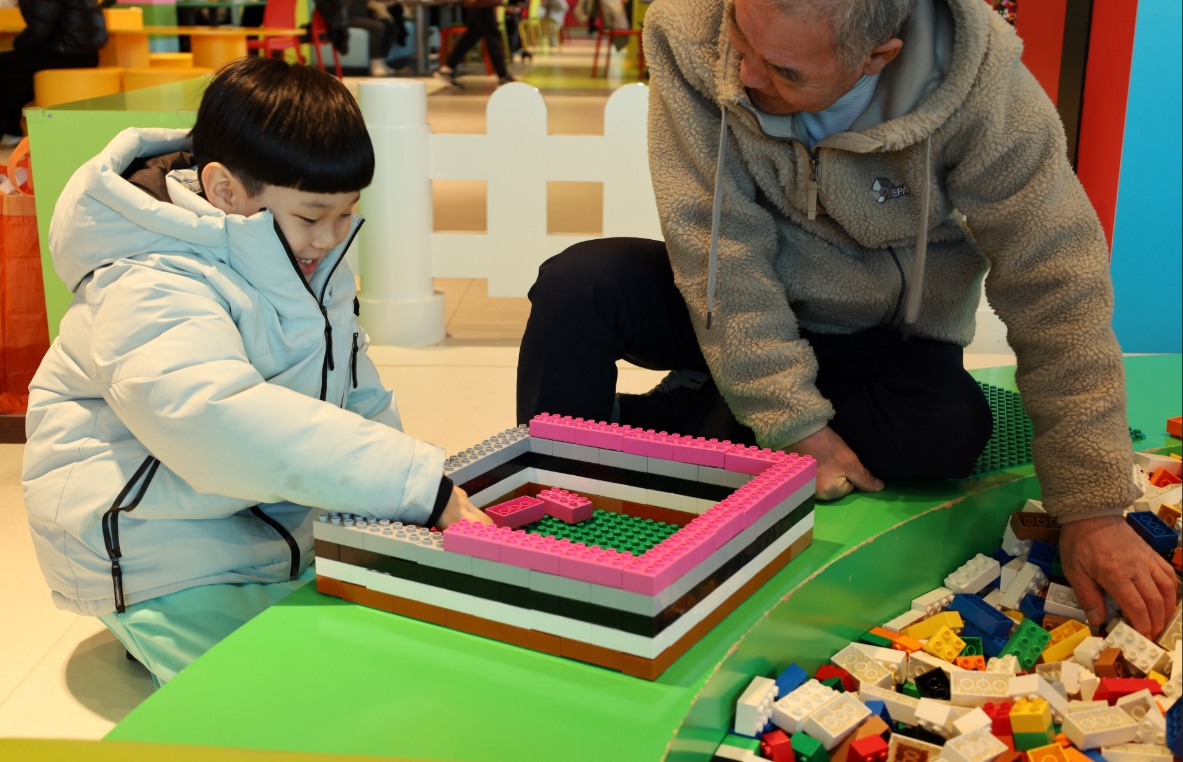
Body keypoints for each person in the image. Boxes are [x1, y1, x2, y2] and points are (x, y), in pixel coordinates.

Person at [517, 0, 1179, 637]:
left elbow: (1057, 287)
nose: (745, 74)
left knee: (949, 431)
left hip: (878, 334)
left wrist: (1092, 510)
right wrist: (793, 421)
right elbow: (718, 246)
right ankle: (547, 477)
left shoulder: (983, 87)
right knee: (580, 284)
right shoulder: (690, 31)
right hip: (732, 306)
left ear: (877, 56)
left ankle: (672, 416)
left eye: (784, 70)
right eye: (741, 38)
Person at [21, 57, 492, 686]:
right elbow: (213, 418)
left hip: (262, 524)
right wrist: (412, 484)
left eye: (346, 213)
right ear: (223, 191)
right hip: (160, 547)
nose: (331, 237)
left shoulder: (302, 255)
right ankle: (148, 617)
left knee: (393, 655)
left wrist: (405, 501)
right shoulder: (149, 279)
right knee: (275, 695)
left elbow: (358, 394)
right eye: (311, 216)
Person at [0, 0, 108, 146]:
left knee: (7, 66)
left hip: (65, 54)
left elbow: (39, 30)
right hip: (88, 55)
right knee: (18, 70)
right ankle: (12, 130)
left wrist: (17, 44)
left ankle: (11, 130)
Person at [435, 0, 514, 86]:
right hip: (481, 3)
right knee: (491, 36)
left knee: (471, 36)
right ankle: (503, 75)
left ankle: (447, 68)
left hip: (479, 4)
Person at [344, 0, 406, 76]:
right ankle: (375, 62)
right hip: (350, 16)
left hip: (364, 14)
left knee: (392, 27)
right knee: (378, 27)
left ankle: (381, 60)